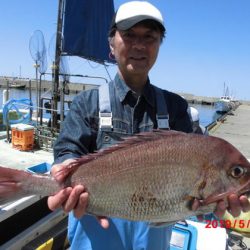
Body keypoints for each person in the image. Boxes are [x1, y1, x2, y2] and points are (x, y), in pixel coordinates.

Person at [47, 1, 250, 249]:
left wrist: (209, 206)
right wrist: (63, 168)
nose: (140, 45)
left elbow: (192, 202)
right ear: (111, 43)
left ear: (159, 46)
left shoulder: (176, 108)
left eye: (150, 37)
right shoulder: (86, 103)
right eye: (129, 35)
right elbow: (67, 151)